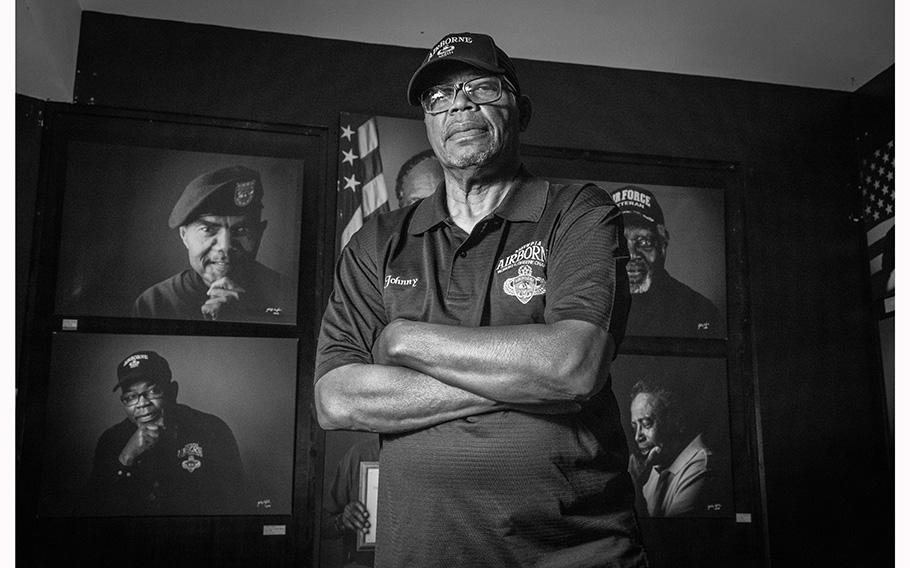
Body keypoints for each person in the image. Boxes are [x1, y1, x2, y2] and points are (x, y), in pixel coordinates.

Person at [315, 32, 648, 567]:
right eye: (439, 97)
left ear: (521, 107)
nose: (459, 105)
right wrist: (527, 380)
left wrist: (402, 339)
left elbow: (572, 365)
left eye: (481, 88)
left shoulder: (579, 212)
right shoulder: (376, 241)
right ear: (428, 121)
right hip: (420, 553)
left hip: (573, 554)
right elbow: (338, 399)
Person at [81, 350, 246, 516]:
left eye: (153, 391)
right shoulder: (111, 440)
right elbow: (92, 509)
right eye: (131, 397)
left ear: (173, 391)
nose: (142, 404)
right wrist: (125, 458)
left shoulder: (211, 429)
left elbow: (238, 500)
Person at [132, 165, 293, 322]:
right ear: (184, 235)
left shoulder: (289, 296)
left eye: (242, 230)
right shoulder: (154, 303)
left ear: (259, 233)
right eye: (208, 229)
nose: (225, 246)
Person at [611, 185, 721, 337]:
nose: (631, 255)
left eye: (643, 242)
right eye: (619, 243)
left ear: (662, 244)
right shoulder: (580, 307)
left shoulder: (699, 312)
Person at [627, 379, 715, 517]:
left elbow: (666, 534)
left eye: (646, 423)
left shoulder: (701, 466)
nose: (637, 437)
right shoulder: (656, 462)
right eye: (634, 427)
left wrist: (634, 486)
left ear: (676, 422)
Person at [322, 436, 381, 568]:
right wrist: (343, 520)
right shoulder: (359, 454)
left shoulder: (428, 457)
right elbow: (322, 524)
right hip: (363, 563)